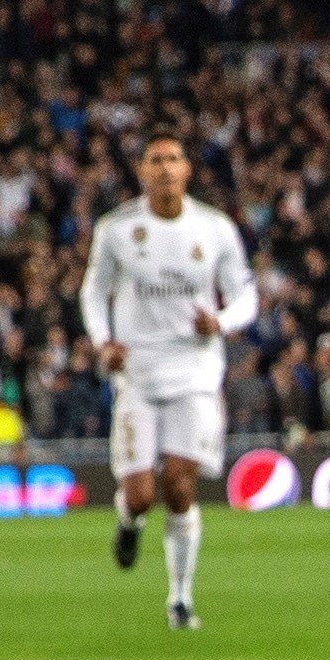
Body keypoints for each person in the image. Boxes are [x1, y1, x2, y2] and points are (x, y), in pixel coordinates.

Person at [81, 131, 256, 631]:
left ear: (187, 171)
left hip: (196, 372)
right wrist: (103, 342)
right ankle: (129, 520)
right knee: (140, 494)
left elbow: (245, 293)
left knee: (180, 488)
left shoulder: (215, 228)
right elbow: (93, 293)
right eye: (155, 159)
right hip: (136, 372)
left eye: (174, 159)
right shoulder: (117, 229)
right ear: (142, 170)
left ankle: (179, 599)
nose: (165, 167)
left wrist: (220, 322)